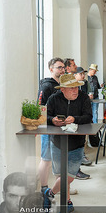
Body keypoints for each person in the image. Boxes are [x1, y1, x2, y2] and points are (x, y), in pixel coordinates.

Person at [45, 74, 93, 213]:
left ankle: (50, 193)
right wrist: (52, 120)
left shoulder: (83, 98)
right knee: (61, 176)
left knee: (69, 177)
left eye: (76, 87)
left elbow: (89, 117)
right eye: (71, 88)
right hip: (57, 142)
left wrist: (75, 119)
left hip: (77, 144)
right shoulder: (54, 98)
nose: (75, 90)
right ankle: (67, 203)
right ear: (63, 90)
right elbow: (45, 116)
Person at [37, 57, 65, 196]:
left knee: (59, 161)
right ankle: (43, 188)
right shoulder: (46, 86)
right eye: (59, 67)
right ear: (51, 69)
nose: (62, 70)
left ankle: (60, 188)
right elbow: (41, 109)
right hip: (48, 129)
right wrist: (50, 120)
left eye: (63, 67)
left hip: (61, 128)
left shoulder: (62, 84)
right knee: (46, 160)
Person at [74, 66, 93, 167]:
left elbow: (89, 93)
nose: (83, 76)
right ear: (75, 75)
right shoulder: (71, 85)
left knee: (82, 136)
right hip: (75, 115)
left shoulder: (85, 83)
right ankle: (79, 157)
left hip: (84, 114)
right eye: (80, 74)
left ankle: (82, 155)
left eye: (83, 74)